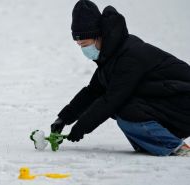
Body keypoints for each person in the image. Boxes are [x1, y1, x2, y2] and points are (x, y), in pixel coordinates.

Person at [51, 0, 190, 156]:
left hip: (182, 104)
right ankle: (152, 144)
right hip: (166, 103)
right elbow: (93, 92)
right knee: (118, 106)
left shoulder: (129, 56)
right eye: (79, 45)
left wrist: (81, 127)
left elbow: (112, 99)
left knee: (123, 108)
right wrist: (63, 118)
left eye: (85, 44)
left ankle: (175, 146)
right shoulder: (111, 56)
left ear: (98, 37)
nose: (84, 49)